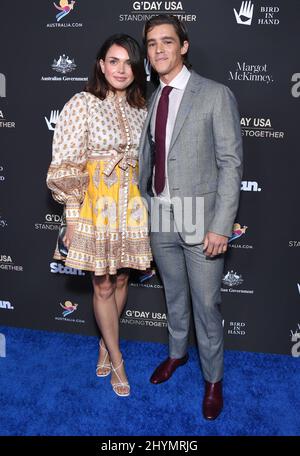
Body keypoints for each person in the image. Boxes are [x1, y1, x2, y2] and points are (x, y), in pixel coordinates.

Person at [139, 15, 243, 419]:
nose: (159, 49)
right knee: (174, 295)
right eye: (151, 44)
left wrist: (221, 225)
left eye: (167, 41)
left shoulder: (215, 94)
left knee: (206, 303)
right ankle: (177, 354)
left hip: (203, 221)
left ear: (183, 46)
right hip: (161, 214)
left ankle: (213, 379)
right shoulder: (151, 98)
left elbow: (231, 164)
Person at [47, 34, 152, 397]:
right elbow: (66, 162)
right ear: (100, 64)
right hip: (95, 202)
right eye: (113, 61)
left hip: (132, 203)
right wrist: (72, 216)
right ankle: (118, 359)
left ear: (138, 68)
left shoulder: (144, 107)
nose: (120, 69)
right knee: (102, 283)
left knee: (121, 280)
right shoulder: (82, 103)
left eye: (128, 63)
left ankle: (106, 343)